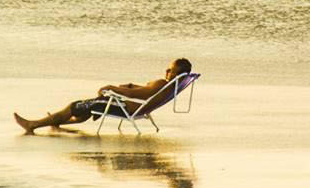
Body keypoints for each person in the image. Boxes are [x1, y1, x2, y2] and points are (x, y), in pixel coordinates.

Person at [13, 58, 191, 135]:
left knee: (74, 106)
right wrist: (131, 86)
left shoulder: (161, 83)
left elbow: (132, 94)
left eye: (171, 70)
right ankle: (54, 121)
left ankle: (33, 125)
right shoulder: (170, 86)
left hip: (124, 107)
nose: (167, 70)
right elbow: (143, 91)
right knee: (87, 107)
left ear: (177, 74)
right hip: (135, 108)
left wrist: (111, 88)